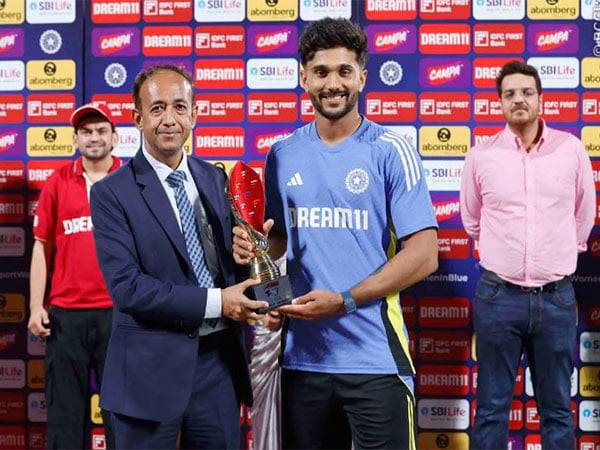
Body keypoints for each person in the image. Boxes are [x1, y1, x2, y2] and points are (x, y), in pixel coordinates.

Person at [233, 18, 438, 450]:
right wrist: (256, 260)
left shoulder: (390, 150)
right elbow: (278, 247)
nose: (333, 83)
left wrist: (344, 300)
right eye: (321, 71)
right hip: (301, 361)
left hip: (375, 361)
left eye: (344, 71)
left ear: (362, 77)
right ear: (303, 77)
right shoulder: (282, 155)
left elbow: (424, 254)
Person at [89, 64, 268, 449]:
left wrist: (247, 257)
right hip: (147, 373)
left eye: (179, 107)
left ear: (195, 114)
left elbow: (224, 266)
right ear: (137, 118)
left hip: (217, 367)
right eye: (157, 109)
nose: (169, 119)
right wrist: (220, 301)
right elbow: (128, 289)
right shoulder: (111, 194)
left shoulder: (216, 178)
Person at [460, 61, 596, 450]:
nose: (518, 99)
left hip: (556, 298)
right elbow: (472, 219)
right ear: (500, 103)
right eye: (509, 94)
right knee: (491, 408)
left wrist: (557, 256)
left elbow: (584, 214)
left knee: (556, 410)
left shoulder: (570, 150)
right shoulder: (481, 156)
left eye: (526, 92)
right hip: (498, 297)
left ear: (540, 99)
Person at [28, 103, 120, 449]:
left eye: (100, 130)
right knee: (65, 419)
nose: (93, 138)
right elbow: (41, 246)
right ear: (76, 139)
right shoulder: (57, 182)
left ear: (114, 137)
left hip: (118, 314)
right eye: (86, 132)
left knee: (122, 417)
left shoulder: (131, 181)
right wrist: (37, 305)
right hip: (65, 318)